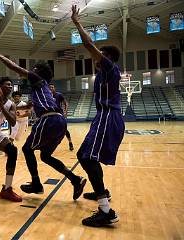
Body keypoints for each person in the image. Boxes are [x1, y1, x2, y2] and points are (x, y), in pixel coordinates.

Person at [0, 47, 86, 201]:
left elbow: (15, 68)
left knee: (27, 149)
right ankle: (75, 179)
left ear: (38, 72)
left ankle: (36, 184)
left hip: (49, 119)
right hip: (59, 122)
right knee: (45, 156)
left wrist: (0, 56)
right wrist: (6, 107)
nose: (31, 70)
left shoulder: (38, 80)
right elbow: (28, 106)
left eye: (34, 69)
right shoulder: (43, 90)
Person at [71, 5, 125, 227]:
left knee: (87, 157)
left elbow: (87, 44)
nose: (95, 58)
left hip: (107, 117)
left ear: (107, 58)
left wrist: (77, 22)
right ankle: (101, 192)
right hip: (103, 118)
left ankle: (106, 211)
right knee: (85, 155)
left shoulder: (110, 68)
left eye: (100, 56)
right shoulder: (103, 74)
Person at [49, 84, 74, 151]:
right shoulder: (47, 96)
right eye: (50, 87)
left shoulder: (59, 95)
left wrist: (65, 111)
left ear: (54, 88)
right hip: (51, 115)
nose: (51, 88)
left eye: (52, 87)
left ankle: (70, 142)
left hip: (60, 114)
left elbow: (66, 103)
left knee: (65, 129)